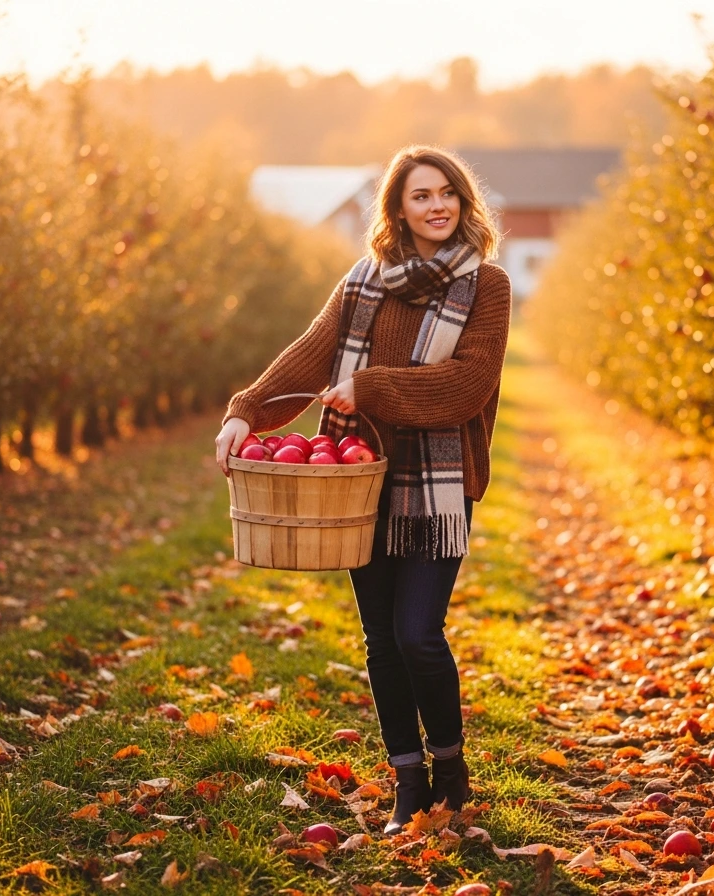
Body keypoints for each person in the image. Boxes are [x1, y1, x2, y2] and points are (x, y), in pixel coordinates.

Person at [213, 145, 511, 836]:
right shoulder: (365, 279)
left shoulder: (485, 284)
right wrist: (245, 410)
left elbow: (468, 385)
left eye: (448, 194)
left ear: (463, 203)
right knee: (381, 639)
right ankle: (408, 779)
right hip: (358, 481)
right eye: (421, 196)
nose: (438, 206)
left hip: (438, 486)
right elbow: (313, 350)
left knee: (419, 635)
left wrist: (368, 386)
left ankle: (450, 764)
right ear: (398, 209)